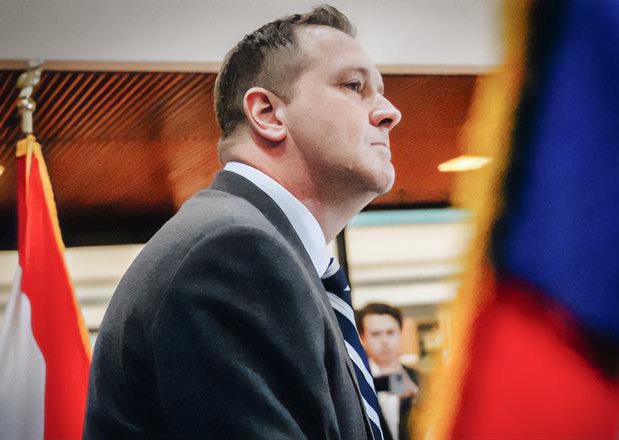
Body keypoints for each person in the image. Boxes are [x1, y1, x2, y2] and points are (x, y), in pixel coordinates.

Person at [83, 4, 401, 439]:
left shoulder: (255, 246)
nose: (389, 112)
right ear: (268, 114)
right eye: (353, 85)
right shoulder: (234, 252)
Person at [356, 303, 421, 440]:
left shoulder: (421, 379)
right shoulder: (356, 382)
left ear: (400, 333)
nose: (385, 341)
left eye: (390, 332)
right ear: (363, 338)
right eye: (376, 334)